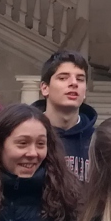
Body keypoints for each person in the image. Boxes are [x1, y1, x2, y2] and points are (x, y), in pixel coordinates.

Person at [37, 48, 99, 181]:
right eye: (63, 78)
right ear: (45, 88)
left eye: (80, 79)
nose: (74, 83)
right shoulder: (28, 135)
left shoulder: (98, 141)